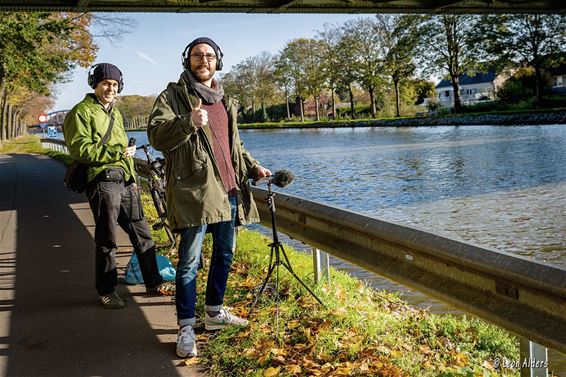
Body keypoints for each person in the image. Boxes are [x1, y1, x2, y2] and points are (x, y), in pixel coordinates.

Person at [147, 37, 271, 358]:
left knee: (225, 254)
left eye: (210, 56)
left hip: (229, 190)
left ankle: (214, 312)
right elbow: (157, 136)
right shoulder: (172, 97)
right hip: (196, 193)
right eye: (197, 56)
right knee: (189, 262)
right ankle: (186, 326)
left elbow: (235, 147)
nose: (204, 61)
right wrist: (188, 121)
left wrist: (254, 167)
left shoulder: (226, 100)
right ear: (187, 61)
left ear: (219, 62)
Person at [63, 63, 166, 310]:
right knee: (107, 239)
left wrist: (130, 171)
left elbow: (122, 151)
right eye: (106, 83)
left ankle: (153, 282)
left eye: (115, 84)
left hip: (126, 180)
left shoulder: (115, 113)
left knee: (142, 233)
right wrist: (118, 151)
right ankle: (107, 290)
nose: (111, 88)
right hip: (102, 180)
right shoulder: (81, 112)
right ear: (95, 85)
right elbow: (80, 150)